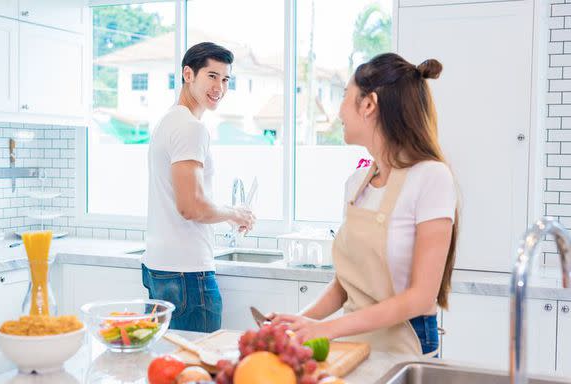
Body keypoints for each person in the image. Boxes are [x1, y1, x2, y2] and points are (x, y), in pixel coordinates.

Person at [271, 53, 458, 357]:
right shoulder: (357, 183)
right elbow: (345, 284)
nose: (339, 110)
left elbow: (422, 298)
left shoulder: (431, 177)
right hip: (355, 347)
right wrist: (302, 321)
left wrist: (327, 329)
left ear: (369, 104)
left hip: (405, 349)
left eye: (345, 96)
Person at [142, 42, 255, 332]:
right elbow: (191, 206)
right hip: (187, 275)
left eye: (226, 78)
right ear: (188, 74)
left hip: (162, 269)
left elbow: (182, 197)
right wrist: (236, 213)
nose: (219, 86)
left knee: (165, 367)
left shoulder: (168, 121)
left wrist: (228, 214)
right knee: (198, 371)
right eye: (212, 76)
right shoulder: (191, 128)